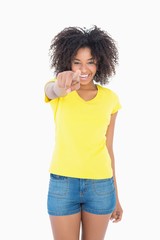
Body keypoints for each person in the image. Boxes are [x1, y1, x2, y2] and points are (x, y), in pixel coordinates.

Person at [44, 25, 123, 240]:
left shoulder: (110, 99)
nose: (84, 69)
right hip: (63, 184)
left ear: (100, 63)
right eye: (76, 62)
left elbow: (109, 148)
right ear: (67, 63)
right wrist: (63, 85)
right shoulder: (58, 90)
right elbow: (52, 90)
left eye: (90, 62)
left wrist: (116, 196)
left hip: (101, 186)